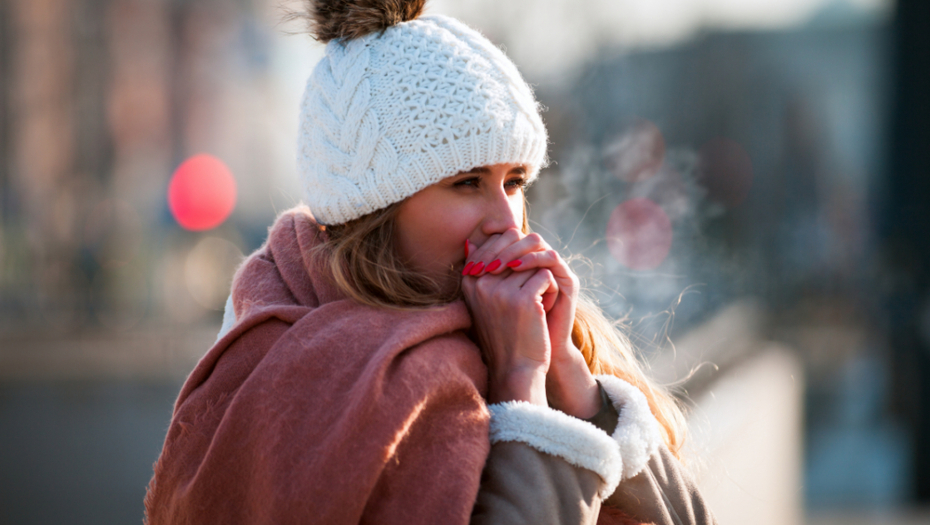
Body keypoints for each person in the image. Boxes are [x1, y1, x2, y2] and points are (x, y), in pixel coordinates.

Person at [145, 1, 717, 524]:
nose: (507, 221)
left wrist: (571, 380)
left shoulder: (541, 335)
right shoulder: (299, 366)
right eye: (467, 182)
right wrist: (521, 388)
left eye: (514, 181)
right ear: (376, 212)